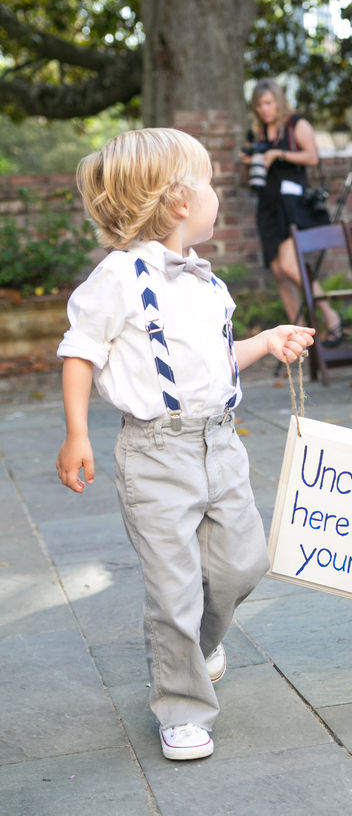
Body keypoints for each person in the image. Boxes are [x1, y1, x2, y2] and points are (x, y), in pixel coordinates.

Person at [55, 128, 314, 762]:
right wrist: (78, 432)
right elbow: (80, 352)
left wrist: (264, 342)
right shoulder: (116, 277)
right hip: (154, 455)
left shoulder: (205, 282)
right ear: (178, 201)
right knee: (173, 588)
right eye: (210, 184)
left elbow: (214, 360)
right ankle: (181, 708)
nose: (217, 195)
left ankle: (202, 642)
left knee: (243, 564)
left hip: (220, 445)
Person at [241, 79, 342, 345]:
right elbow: (247, 177)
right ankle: (298, 337)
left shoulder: (296, 124)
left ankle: (331, 317)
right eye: (259, 105)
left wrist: (278, 155)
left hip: (292, 204)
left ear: (278, 101)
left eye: (268, 103)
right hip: (267, 207)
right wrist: (249, 162)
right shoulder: (257, 134)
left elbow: (312, 157)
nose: (264, 109)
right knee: (278, 273)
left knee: (289, 265)